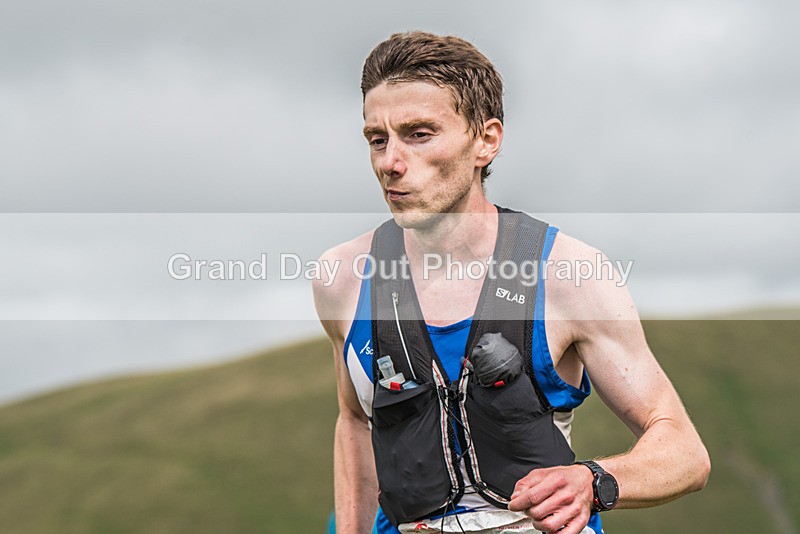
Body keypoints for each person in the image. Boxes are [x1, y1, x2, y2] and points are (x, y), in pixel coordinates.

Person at [313, 31, 710, 534]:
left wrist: (595, 480)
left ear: (486, 140)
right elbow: (355, 421)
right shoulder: (341, 279)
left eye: (419, 134)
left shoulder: (569, 275)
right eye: (377, 139)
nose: (390, 162)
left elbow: (684, 452)